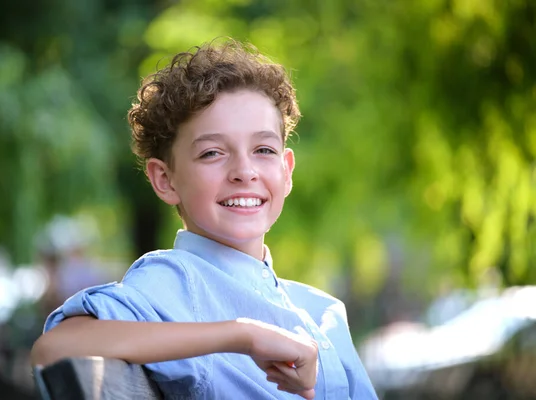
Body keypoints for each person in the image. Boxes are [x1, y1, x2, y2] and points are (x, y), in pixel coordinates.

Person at [31, 39, 378, 400]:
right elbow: (55, 348)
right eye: (212, 153)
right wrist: (241, 335)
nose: (244, 171)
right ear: (165, 180)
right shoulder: (176, 281)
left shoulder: (323, 310)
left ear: (286, 170)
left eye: (263, 150)